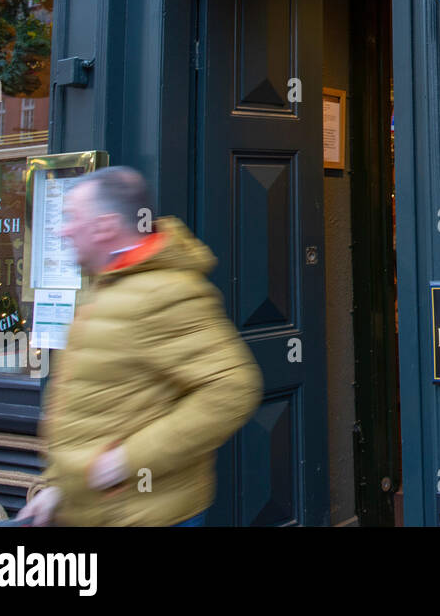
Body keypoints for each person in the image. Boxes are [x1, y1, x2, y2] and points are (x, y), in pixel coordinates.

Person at [16, 166, 263, 527]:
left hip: (149, 515)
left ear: (104, 226)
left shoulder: (166, 292)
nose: (61, 229)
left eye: (71, 218)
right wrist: (60, 491)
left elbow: (232, 388)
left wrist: (125, 463)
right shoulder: (106, 286)